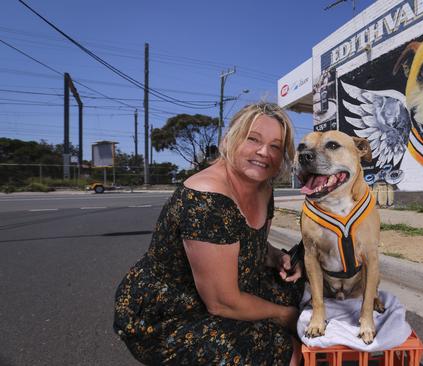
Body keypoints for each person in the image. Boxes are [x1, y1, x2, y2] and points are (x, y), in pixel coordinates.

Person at [114, 102, 304, 365]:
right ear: (229, 140)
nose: (264, 152)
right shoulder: (207, 199)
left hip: (231, 286)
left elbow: (252, 243)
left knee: (304, 295)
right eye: (253, 139)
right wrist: (286, 316)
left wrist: (277, 257)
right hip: (174, 311)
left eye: (275, 146)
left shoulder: (263, 187)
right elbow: (222, 303)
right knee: (286, 350)